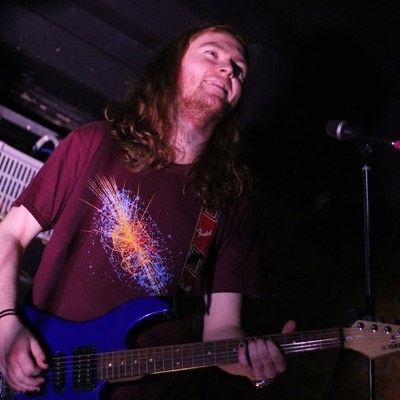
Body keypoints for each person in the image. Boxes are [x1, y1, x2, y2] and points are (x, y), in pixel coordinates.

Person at [0, 23, 295, 399]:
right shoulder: (95, 144)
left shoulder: (229, 202)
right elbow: (10, 234)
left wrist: (254, 365)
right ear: (172, 67)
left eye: (239, 69)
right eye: (212, 54)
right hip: (39, 370)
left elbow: (221, 330)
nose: (228, 69)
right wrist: (5, 326)